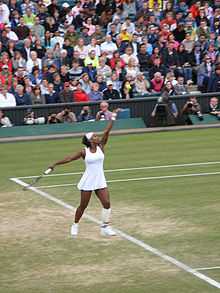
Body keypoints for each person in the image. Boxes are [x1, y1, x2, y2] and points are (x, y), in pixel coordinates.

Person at [48, 113, 118, 237]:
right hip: (88, 180)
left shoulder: (101, 146)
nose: (97, 137)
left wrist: (112, 119)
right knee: (83, 206)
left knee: (107, 203)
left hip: (100, 180)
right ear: (90, 140)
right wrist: (55, 164)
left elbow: (106, 132)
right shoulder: (83, 152)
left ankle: (105, 227)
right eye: (94, 136)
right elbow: (69, 158)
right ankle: (75, 224)